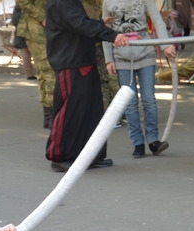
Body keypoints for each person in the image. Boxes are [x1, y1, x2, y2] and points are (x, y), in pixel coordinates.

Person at [44, 0, 129, 172]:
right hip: (70, 62)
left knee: (91, 111)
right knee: (69, 112)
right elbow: (79, 23)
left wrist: (99, 24)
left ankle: (90, 155)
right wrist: (111, 35)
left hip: (83, 60)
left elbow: (79, 23)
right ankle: (60, 156)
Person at [102, 0, 175, 158]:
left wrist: (165, 45)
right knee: (130, 102)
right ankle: (137, 143)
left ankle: (153, 141)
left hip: (145, 53)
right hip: (121, 56)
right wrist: (109, 59)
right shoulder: (108, 2)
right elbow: (105, 30)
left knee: (148, 98)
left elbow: (157, 20)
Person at [15, 0, 55, 127]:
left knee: (44, 72)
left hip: (42, 28)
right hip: (36, 29)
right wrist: (41, 16)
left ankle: (49, 116)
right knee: (49, 71)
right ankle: (53, 116)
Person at [10, 5, 36, 79]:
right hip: (28, 33)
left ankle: (29, 74)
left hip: (21, 33)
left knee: (25, 54)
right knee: (29, 54)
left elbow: (14, 21)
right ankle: (31, 73)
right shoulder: (29, 7)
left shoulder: (18, 7)